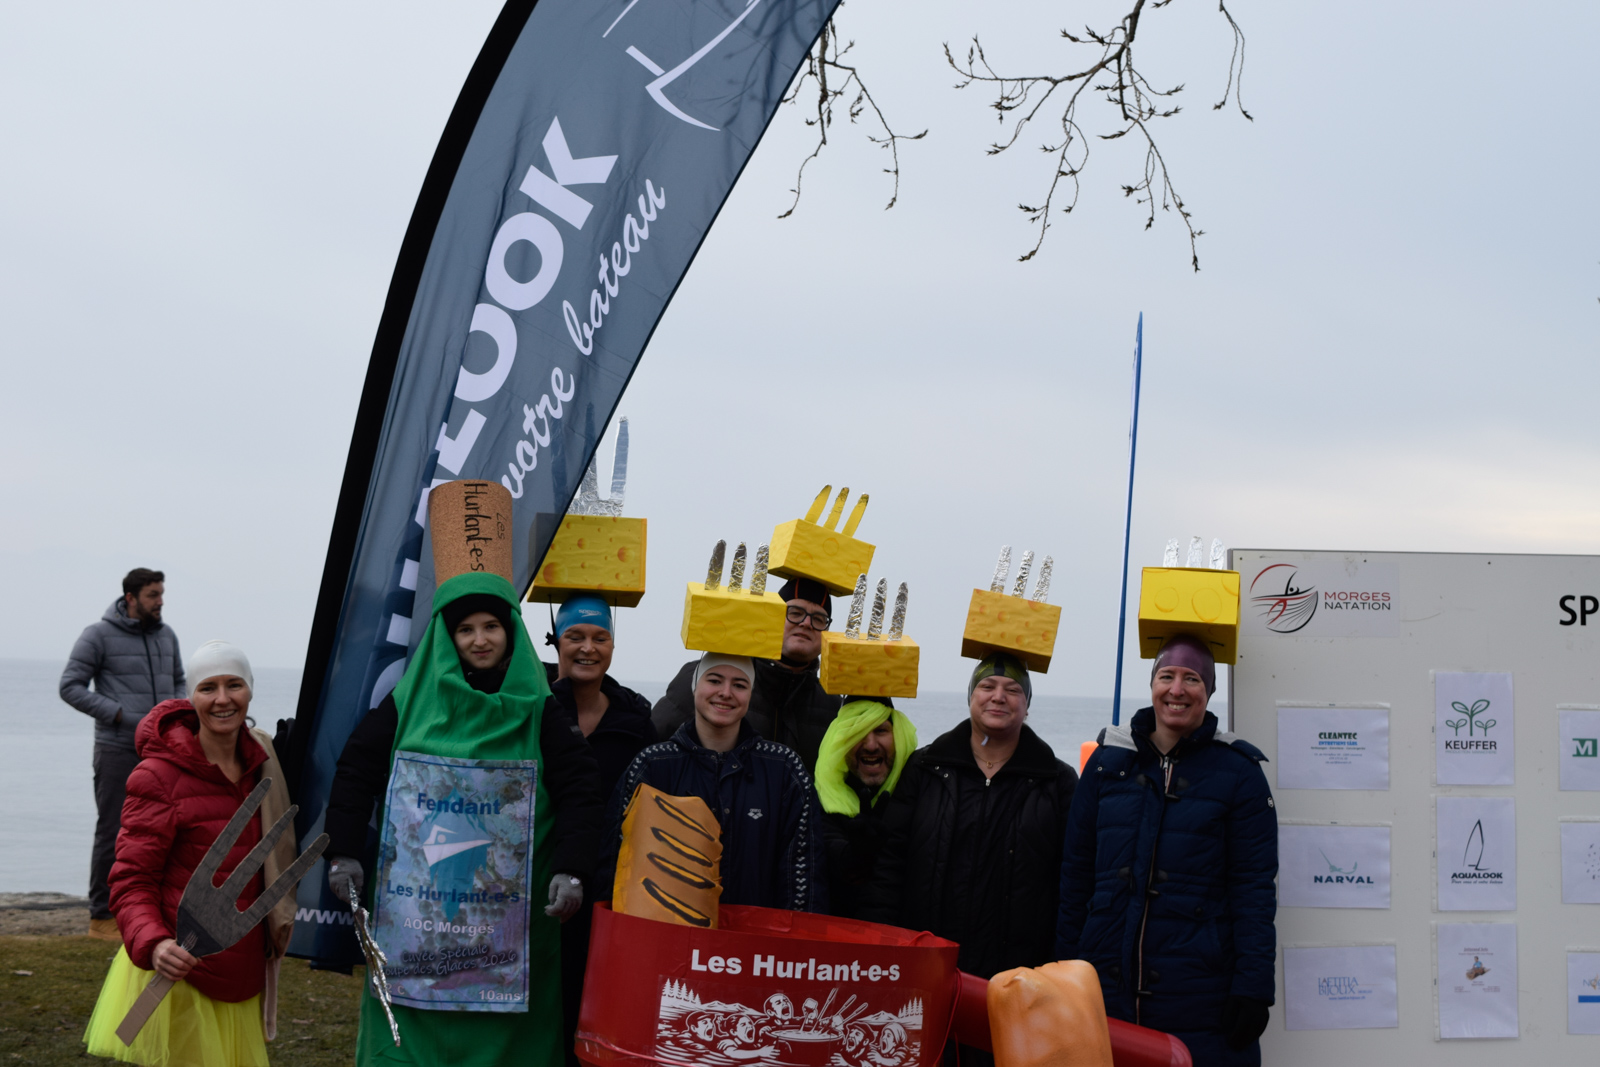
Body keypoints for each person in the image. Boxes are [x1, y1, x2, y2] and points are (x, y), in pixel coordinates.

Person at [322, 573, 603, 1067]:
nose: (479, 640)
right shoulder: (409, 701)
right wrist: (343, 851)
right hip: (417, 923)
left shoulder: (539, 707)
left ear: (510, 631)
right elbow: (356, 770)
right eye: (465, 629)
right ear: (447, 637)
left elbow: (580, 787)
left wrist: (572, 868)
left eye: (491, 626)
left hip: (511, 930)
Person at [1056, 635, 1277, 1066]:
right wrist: (1064, 969)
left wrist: (1253, 986)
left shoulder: (1240, 774)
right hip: (1104, 988)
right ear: (1152, 684)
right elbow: (1075, 875)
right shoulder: (1105, 765)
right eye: (1166, 676)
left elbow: (1253, 889)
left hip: (1200, 994)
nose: (1177, 690)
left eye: (1192, 679)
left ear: (1209, 691)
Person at [83, 640, 294, 1067]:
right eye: (208, 687)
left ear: (250, 690)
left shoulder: (265, 765)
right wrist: (154, 943)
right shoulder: (158, 776)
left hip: (240, 969)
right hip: (179, 970)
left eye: (234, 685)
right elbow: (130, 879)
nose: (222, 699)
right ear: (190, 697)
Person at [859, 653, 1076, 1066]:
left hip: (1018, 979)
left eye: (1013, 690)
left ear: (1027, 704)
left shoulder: (1057, 781)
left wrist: (1059, 968)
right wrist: (884, 953)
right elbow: (890, 864)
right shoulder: (926, 768)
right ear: (971, 697)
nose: (999, 697)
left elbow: (1072, 880)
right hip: (929, 974)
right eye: (987, 687)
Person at [602, 653, 826, 912]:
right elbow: (617, 861)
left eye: (739, 685)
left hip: (756, 935)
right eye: (714, 680)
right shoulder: (654, 765)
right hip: (668, 932)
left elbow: (804, 873)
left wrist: (798, 932)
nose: (726, 693)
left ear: (750, 694)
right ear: (695, 686)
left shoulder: (784, 768)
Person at [542, 595, 655, 1067]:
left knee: (587, 1017)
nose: (588, 648)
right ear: (556, 641)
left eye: (600, 638)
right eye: (575, 636)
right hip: (536, 885)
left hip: (605, 897)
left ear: (612, 645)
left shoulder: (636, 722)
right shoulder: (532, 706)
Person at [60, 567, 185, 942]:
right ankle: (101, 916)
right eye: (152, 595)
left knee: (163, 830)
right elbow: (70, 686)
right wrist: (118, 715)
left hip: (162, 750)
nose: (160, 601)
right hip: (116, 748)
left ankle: (150, 910)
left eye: (161, 594)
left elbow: (179, 679)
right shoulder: (97, 635)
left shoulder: (167, 635)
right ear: (130, 598)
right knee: (113, 830)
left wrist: (177, 714)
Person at [651, 577, 841, 774]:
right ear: (773, 618)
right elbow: (652, 747)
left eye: (819, 619)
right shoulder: (706, 680)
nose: (806, 623)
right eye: (795, 613)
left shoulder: (833, 704)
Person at [813, 696, 916, 918]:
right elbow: (836, 859)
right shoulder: (819, 801)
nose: (870, 745)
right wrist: (858, 855)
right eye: (857, 731)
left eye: (880, 730)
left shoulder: (922, 791)